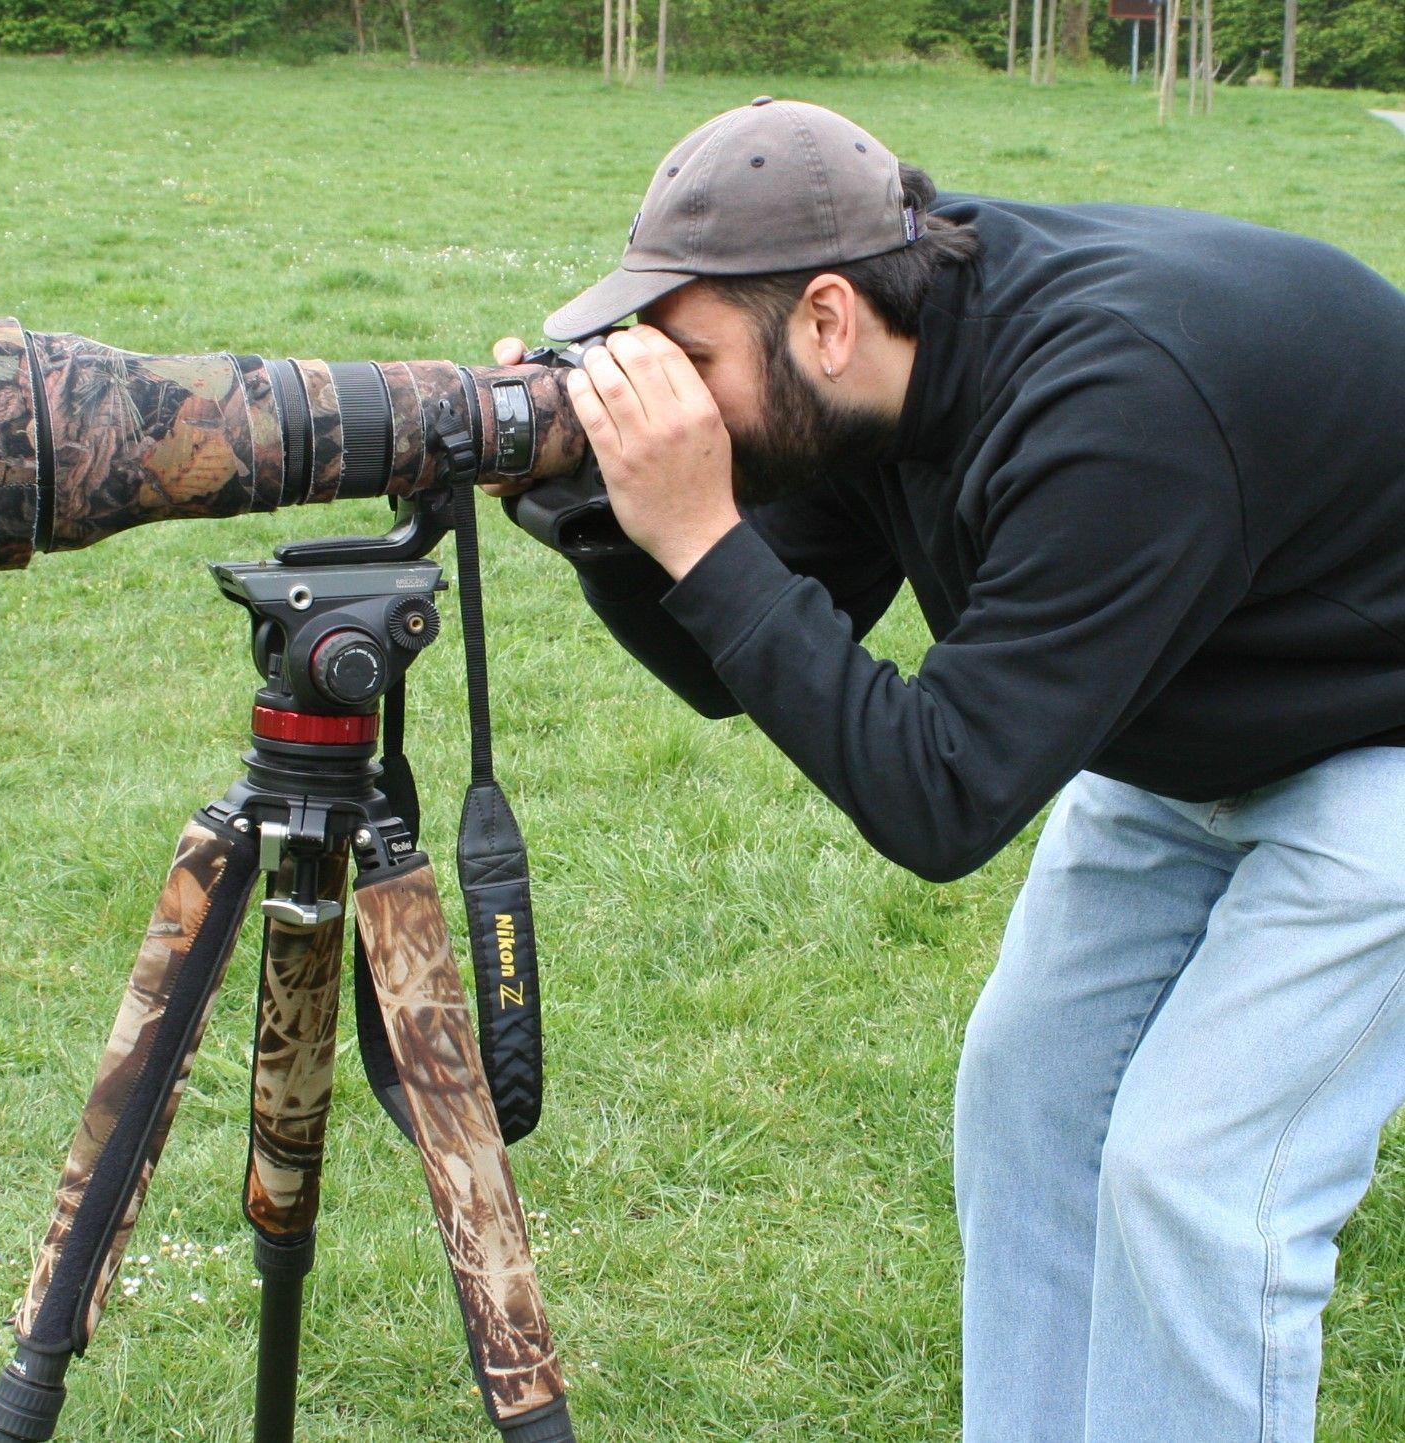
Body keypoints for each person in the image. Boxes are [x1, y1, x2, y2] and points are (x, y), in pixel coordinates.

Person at [488, 98, 1405, 1443]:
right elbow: (724, 662)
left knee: (1195, 1177)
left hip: (1379, 746)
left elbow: (944, 795)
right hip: (1184, 730)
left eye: (686, 355)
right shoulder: (870, 382)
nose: (666, 389)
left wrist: (695, 528)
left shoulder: (1114, 404)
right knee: (1028, 1108)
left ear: (824, 317)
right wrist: (598, 515)